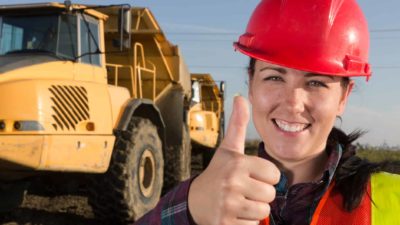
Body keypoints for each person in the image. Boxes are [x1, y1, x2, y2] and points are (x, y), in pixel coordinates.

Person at [134, 0, 400, 224]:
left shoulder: (390, 199)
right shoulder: (211, 195)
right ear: (251, 83)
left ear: (343, 96)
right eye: (274, 77)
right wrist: (190, 208)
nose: (293, 103)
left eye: (316, 82)